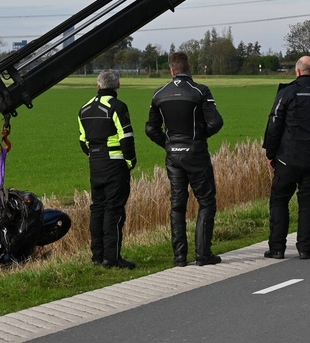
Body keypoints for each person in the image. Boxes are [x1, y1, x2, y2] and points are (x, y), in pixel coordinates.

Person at [146, 51, 224, 266]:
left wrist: (168, 143)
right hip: (195, 153)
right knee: (206, 201)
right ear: (189, 69)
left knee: (177, 204)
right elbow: (216, 122)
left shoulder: (159, 94)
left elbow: (151, 128)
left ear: (172, 70)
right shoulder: (200, 91)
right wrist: (199, 137)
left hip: (174, 156)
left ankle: (179, 256)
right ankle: (203, 254)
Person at [262, 55, 310, 260]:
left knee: (279, 202)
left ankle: (277, 248)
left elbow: (274, 125)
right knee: (308, 204)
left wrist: (270, 153)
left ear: (297, 72)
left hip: (288, 159)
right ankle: (306, 248)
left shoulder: (287, 93)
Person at [78, 69, 137, 269]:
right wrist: (130, 161)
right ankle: (112, 258)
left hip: (95, 164)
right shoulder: (118, 107)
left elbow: (83, 142)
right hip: (115, 163)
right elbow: (126, 138)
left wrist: (96, 155)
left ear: (98, 86)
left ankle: (97, 256)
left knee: (97, 208)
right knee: (114, 210)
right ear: (117, 86)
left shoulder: (84, 109)